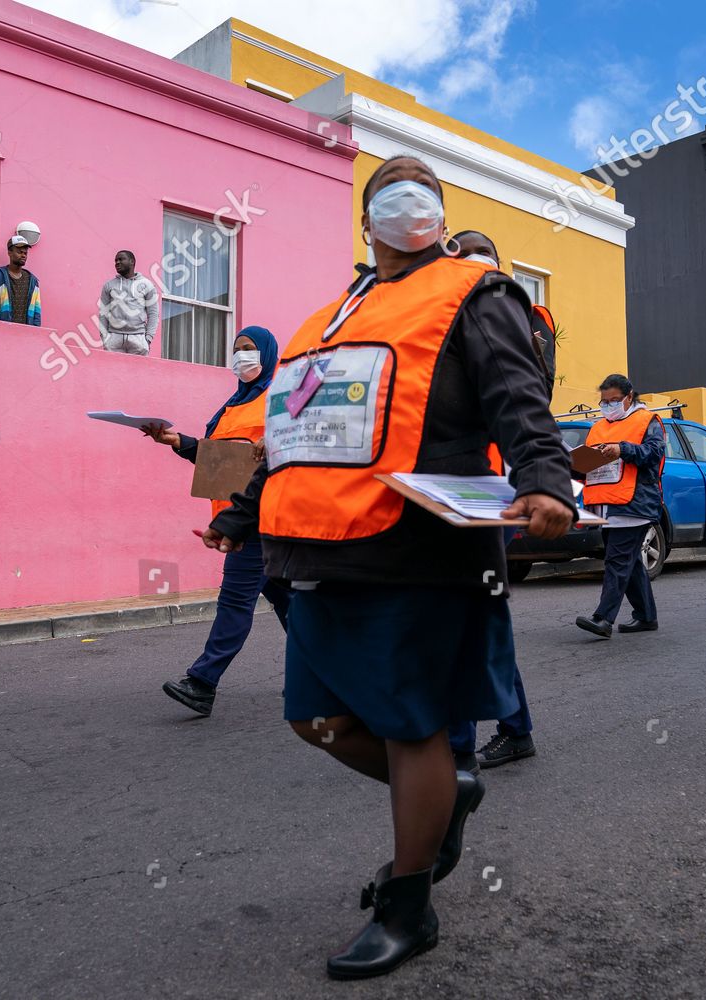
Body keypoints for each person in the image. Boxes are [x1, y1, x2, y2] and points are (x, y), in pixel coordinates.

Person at [203, 156, 575, 979]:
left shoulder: (477, 294)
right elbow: (289, 433)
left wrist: (545, 479)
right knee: (317, 721)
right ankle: (450, 794)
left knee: (412, 730)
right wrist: (237, 511)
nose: (408, 201)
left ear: (439, 215)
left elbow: (520, 398)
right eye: (389, 190)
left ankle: (410, 906)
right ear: (364, 220)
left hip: (420, 548)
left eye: (424, 191)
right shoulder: (325, 321)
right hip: (319, 553)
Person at [142, 326, 290, 717]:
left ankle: (203, 682)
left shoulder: (283, 399)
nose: (241, 356)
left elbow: (294, 449)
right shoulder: (230, 406)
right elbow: (218, 461)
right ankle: (325, 679)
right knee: (292, 604)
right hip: (235, 516)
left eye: (249, 349)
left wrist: (275, 441)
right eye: (237, 349)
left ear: (268, 353)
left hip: (262, 519)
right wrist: (176, 442)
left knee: (235, 601)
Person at [445, 230, 547, 772]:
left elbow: (522, 403)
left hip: (481, 490)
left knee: (474, 617)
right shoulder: (508, 313)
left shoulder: (490, 306)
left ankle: (464, 746)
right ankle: (509, 728)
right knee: (475, 616)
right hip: (472, 487)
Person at [575, 374, 665, 638]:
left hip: (634, 505)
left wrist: (622, 449)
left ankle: (603, 619)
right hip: (606, 507)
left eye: (614, 400)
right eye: (604, 402)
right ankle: (646, 617)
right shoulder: (598, 426)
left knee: (617, 560)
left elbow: (654, 454)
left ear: (629, 397)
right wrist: (574, 466)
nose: (608, 406)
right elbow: (590, 465)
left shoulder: (647, 421)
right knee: (629, 562)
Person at [98, 250, 159, 355]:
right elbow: (103, 313)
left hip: (138, 338)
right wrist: (105, 337)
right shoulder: (109, 285)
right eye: (116, 260)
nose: (117, 262)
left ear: (132, 261)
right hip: (114, 338)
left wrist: (148, 338)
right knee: (113, 371)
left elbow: (153, 314)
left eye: (121, 259)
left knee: (139, 371)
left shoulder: (147, 285)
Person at [0, 235, 42, 326]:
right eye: (20, 252)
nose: (23, 255)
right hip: (3, 331)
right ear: (10, 252)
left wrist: (35, 332)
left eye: (25, 253)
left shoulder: (32, 280)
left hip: (26, 332)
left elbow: (37, 311)